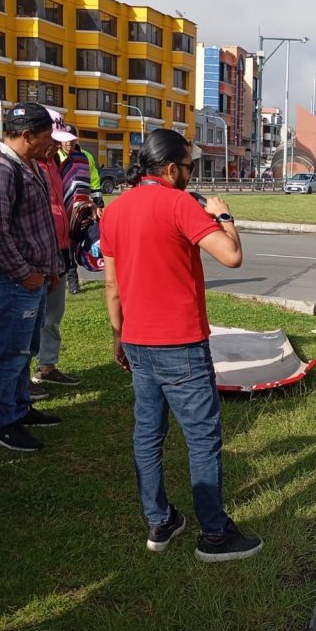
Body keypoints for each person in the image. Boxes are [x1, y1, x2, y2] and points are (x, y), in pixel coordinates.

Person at [100, 128, 262, 562]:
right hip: (181, 344)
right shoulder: (179, 204)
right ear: (171, 169)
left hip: (137, 340)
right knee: (202, 437)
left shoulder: (114, 210)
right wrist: (224, 217)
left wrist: (118, 335)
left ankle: (159, 519)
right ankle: (214, 534)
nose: (192, 174)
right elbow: (231, 256)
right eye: (190, 167)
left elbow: (112, 286)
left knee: (148, 434)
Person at [0, 103, 69, 452]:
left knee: (24, 350)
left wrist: (50, 270)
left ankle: (19, 407)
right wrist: (26, 273)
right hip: (12, 281)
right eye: (47, 138)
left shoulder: (29, 165)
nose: (53, 144)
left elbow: (38, 224)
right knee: (9, 353)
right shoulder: (0, 169)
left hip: (36, 279)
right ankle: (4, 423)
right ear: (27, 135)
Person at [31, 110, 81, 389]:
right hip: (35, 254)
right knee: (29, 318)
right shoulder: (21, 163)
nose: (56, 145)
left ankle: (47, 366)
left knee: (53, 314)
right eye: (51, 139)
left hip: (59, 249)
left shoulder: (52, 162)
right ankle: (19, 378)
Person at [57, 128, 104, 295]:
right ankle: (72, 279)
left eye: (72, 138)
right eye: (65, 139)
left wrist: (97, 203)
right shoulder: (55, 157)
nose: (69, 142)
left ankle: (88, 264)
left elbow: (94, 180)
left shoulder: (86, 157)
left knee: (81, 242)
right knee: (67, 246)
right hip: (62, 209)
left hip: (84, 208)